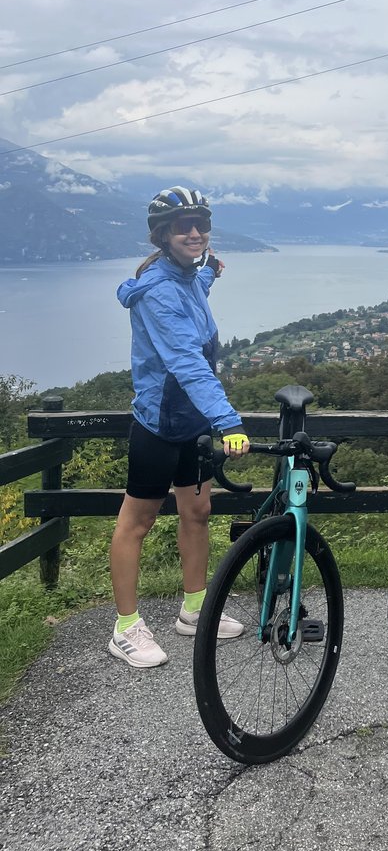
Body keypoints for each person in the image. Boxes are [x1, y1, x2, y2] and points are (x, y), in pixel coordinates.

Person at [108, 187, 251, 669]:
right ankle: (125, 628)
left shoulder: (188, 278)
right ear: (162, 234)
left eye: (200, 224)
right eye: (182, 225)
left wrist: (209, 271)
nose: (194, 232)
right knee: (138, 522)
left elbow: (195, 292)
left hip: (192, 424)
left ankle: (194, 609)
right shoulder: (160, 292)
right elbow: (188, 364)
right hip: (160, 423)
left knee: (198, 512)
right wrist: (228, 421)